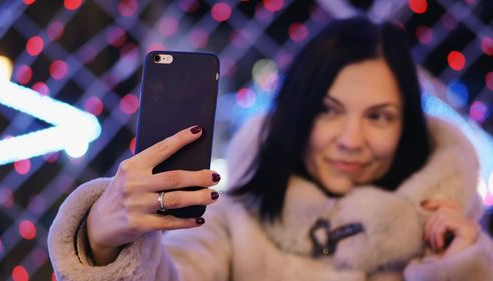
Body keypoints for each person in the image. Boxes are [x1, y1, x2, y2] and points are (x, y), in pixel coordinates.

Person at [48, 16, 493, 281]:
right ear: (295, 113)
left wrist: (460, 272)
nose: (351, 140)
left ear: (407, 126)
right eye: (328, 110)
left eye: (378, 116)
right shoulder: (229, 217)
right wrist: (105, 243)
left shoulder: (451, 236)